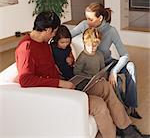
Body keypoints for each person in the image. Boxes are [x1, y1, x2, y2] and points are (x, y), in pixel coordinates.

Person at [15, 11, 144, 138]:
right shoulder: (26, 48)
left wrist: (69, 56)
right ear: (48, 30)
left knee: (104, 86)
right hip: (55, 95)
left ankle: (127, 130)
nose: (53, 36)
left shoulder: (44, 43)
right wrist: (60, 83)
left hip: (65, 85)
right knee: (98, 105)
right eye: (54, 32)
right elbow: (25, 80)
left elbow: (57, 53)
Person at [70, 2, 142, 119]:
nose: (87, 21)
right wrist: (67, 52)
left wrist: (114, 71)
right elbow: (67, 36)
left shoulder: (111, 31)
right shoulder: (84, 25)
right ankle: (121, 111)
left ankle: (131, 106)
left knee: (130, 66)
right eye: (86, 18)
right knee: (117, 83)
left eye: (90, 19)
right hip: (96, 67)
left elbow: (124, 55)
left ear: (100, 18)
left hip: (108, 63)